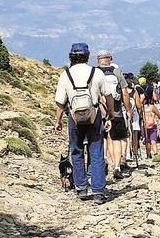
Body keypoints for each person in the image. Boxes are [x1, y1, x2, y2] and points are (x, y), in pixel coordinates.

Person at [54, 43, 112, 205]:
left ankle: (81, 188)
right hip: (94, 115)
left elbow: (60, 102)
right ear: (87, 56)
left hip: (74, 117)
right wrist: (110, 114)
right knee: (96, 151)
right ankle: (98, 191)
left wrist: (58, 121)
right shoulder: (96, 72)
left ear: (71, 56)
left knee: (77, 150)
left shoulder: (65, 74)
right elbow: (108, 95)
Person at [96, 50, 132, 180]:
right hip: (116, 111)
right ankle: (116, 167)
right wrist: (128, 110)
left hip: (99, 112)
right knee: (116, 139)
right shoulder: (116, 72)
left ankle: (104, 159)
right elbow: (125, 93)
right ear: (109, 59)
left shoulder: (94, 72)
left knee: (104, 138)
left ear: (97, 60)